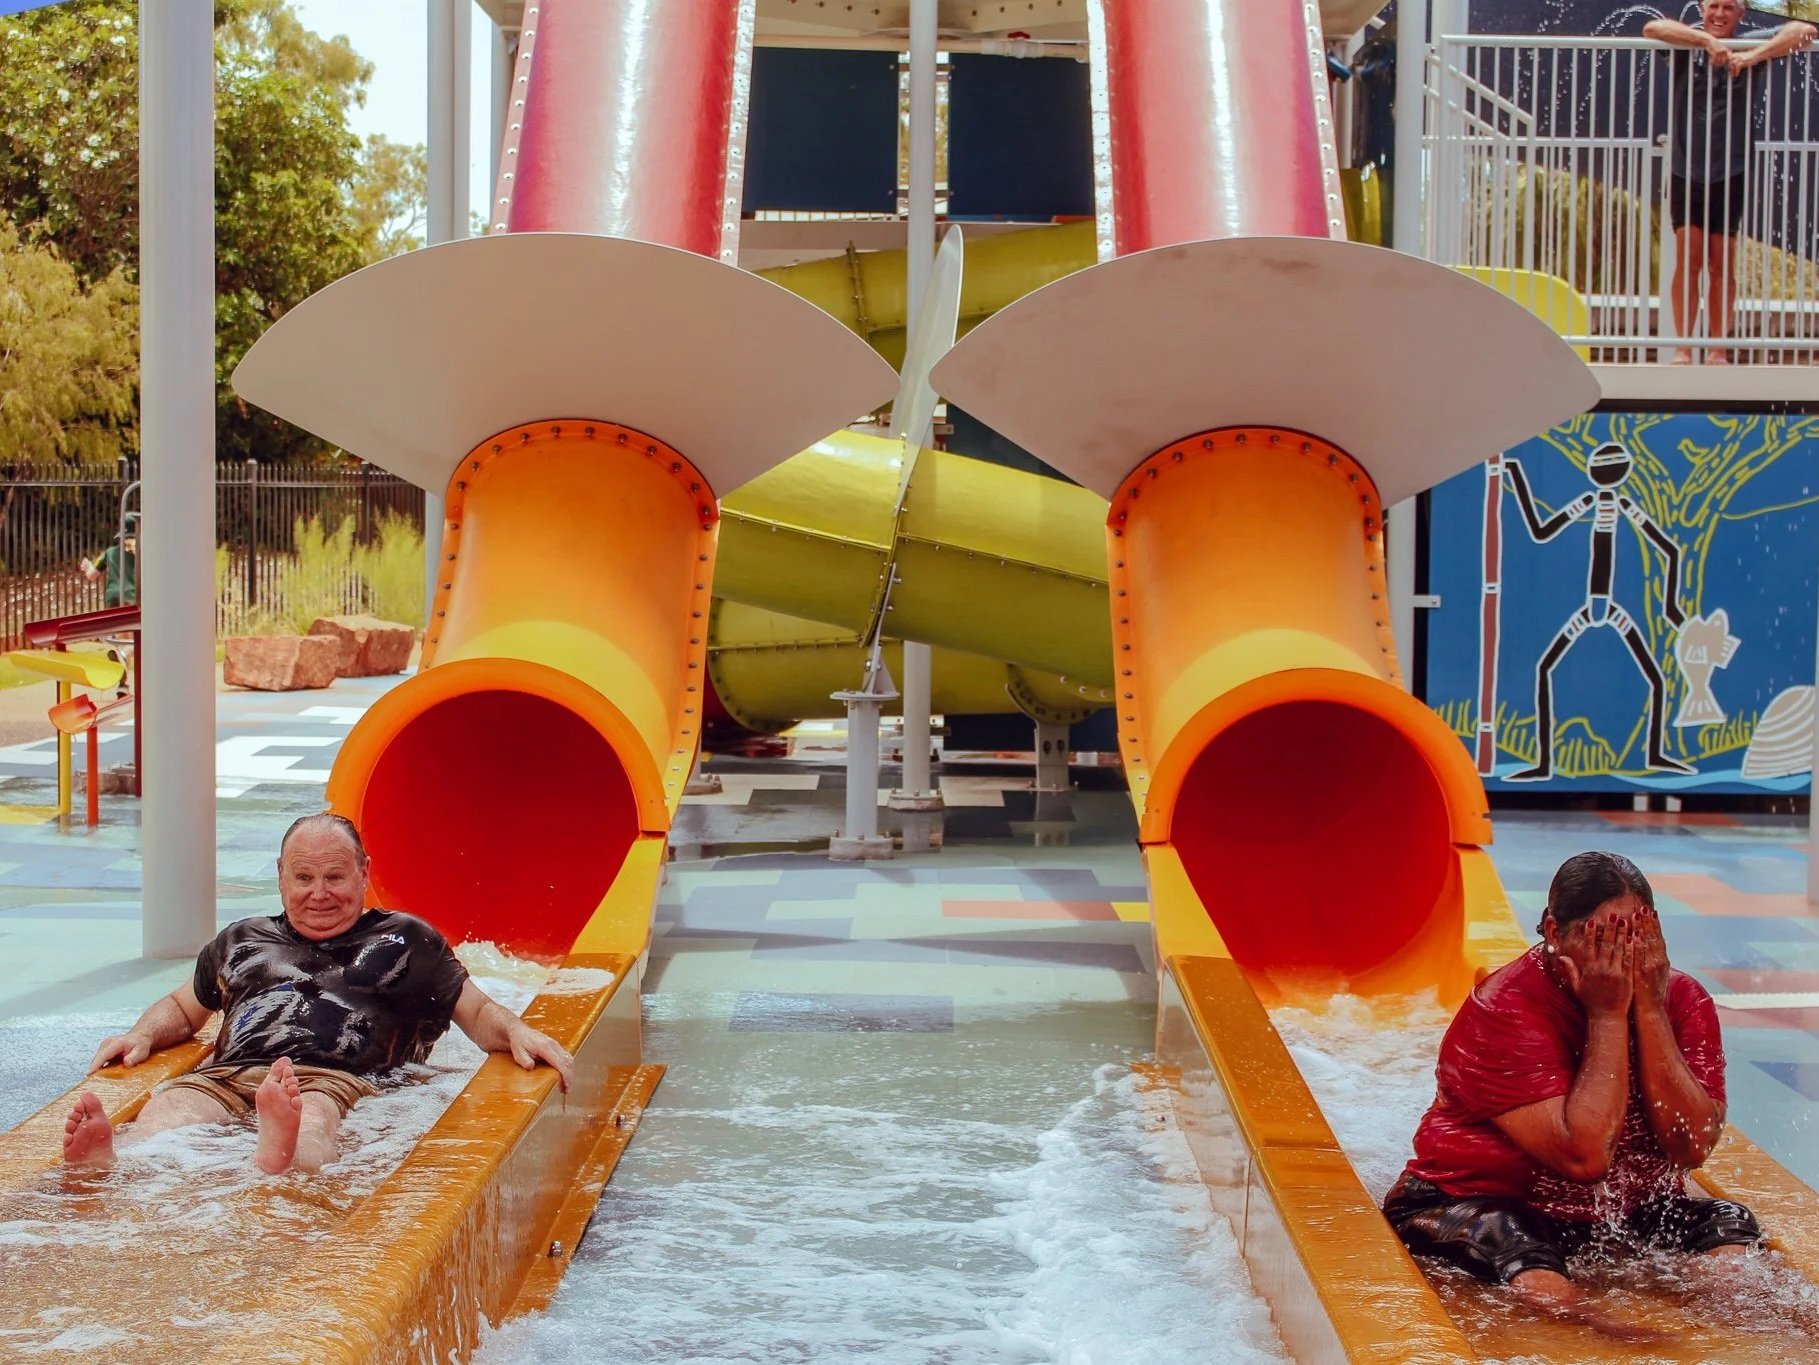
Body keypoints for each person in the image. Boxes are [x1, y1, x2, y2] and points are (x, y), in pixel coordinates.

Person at [61, 812, 574, 1176]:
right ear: (281, 876)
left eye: (335, 876)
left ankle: (281, 1152)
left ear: (364, 873)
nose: (319, 892)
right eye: (303, 877)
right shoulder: (242, 940)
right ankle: (108, 1159)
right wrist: (141, 1033)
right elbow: (182, 1006)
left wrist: (517, 1030)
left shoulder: (405, 939)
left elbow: (477, 1010)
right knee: (169, 1110)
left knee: (314, 1117)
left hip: (335, 1075)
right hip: (231, 1072)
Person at [1382, 851, 1759, 1335]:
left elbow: (1692, 1146)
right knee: (1512, 1242)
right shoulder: (1504, 1008)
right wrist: (1606, 1014)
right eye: (1602, 937)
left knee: (1727, 1224)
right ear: (1554, 932)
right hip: (1477, 1202)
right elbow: (1583, 1159)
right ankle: (1607, 1336)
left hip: (1612, 1214)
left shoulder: (1683, 999)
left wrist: (1649, 1012)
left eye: (1635, 935)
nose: (1620, 954)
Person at [1644, 0, 1815, 365]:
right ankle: (1684, 348)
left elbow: (1804, 31)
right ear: (1703, 10)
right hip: (1685, 167)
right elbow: (1652, 29)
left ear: (1741, 14)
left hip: (1730, 168)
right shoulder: (1687, 42)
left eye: (1728, 7)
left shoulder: (1750, 43)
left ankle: (1719, 349)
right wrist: (1706, 43)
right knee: (1689, 259)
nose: (1719, 14)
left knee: (1721, 263)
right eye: (1713, 7)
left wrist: (1752, 57)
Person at [79, 511, 139, 608]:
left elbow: (91, 575)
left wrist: (88, 566)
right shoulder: (145, 555)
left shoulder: (109, 553)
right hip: (133, 597)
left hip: (113, 597)